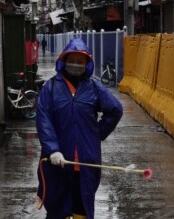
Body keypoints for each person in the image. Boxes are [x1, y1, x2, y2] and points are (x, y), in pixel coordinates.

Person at [36, 38, 123, 219]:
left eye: (80, 61)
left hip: (86, 162)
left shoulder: (94, 87)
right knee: (57, 205)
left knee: (82, 206)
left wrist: (96, 134)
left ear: (87, 63)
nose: (76, 64)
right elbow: (44, 120)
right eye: (72, 60)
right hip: (57, 161)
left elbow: (115, 110)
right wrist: (52, 149)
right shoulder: (51, 88)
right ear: (64, 61)